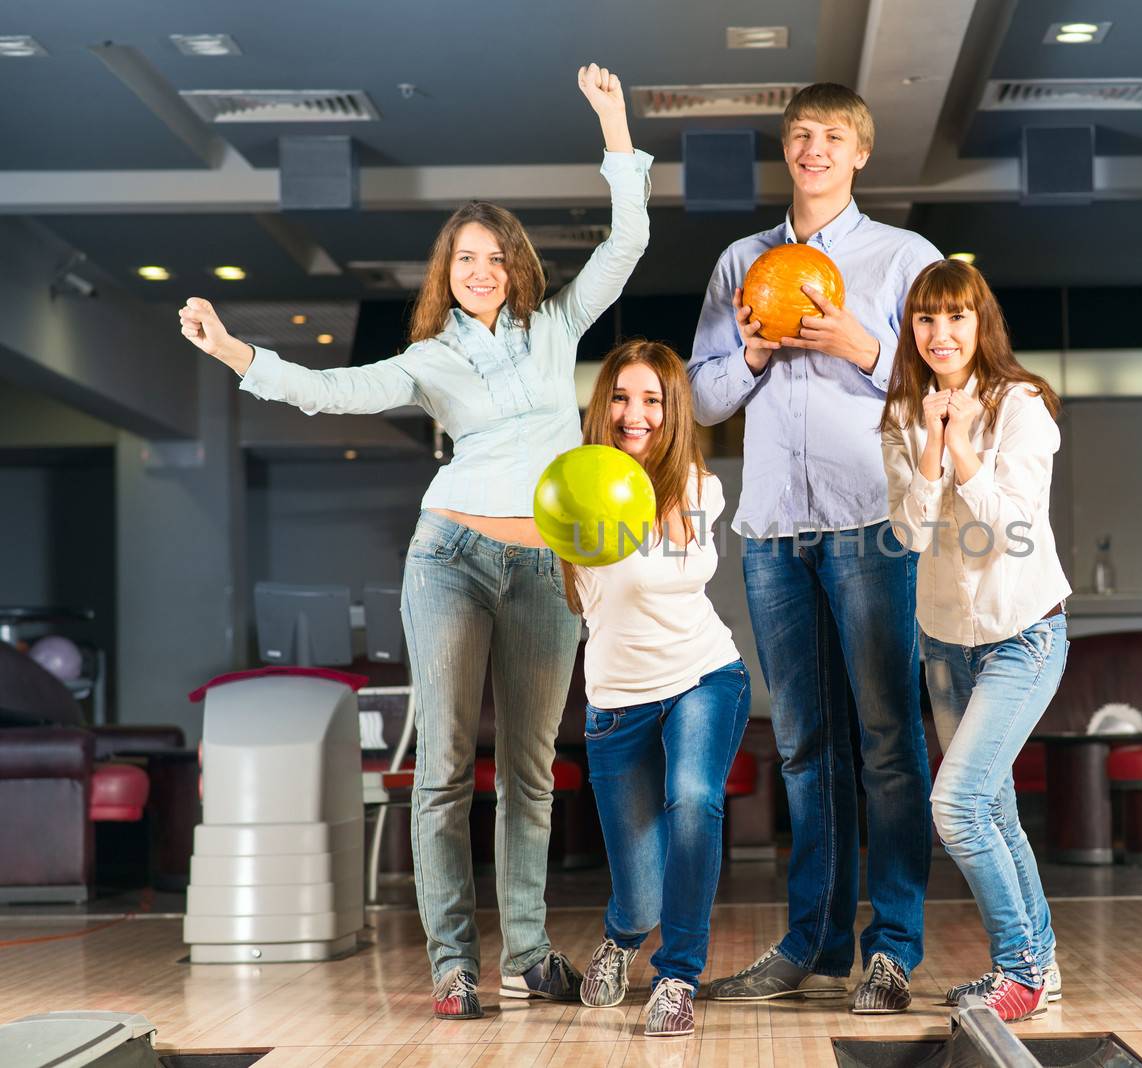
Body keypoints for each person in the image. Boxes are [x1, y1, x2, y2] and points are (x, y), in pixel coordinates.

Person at [176, 64, 651, 1022]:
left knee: (527, 775)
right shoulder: (432, 361)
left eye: (496, 256)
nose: (481, 270)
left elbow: (630, 238)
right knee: (442, 771)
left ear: (519, 264)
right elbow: (337, 390)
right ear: (449, 273)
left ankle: (525, 953)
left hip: (545, 570)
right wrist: (238, 354)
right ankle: (452, 967)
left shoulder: (559, 327)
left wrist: (614, 126)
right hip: (450, 561)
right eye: (464, 259)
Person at [689, 82, 942, 1014]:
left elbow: (937, 389)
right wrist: (753, 358)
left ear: (861, 153)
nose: (814, 149)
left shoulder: (902, 259)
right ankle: (814, 944)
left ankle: (896, 947)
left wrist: (862, 347)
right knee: (802, 745)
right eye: (800, 135)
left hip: (873, 523)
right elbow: (705, 399)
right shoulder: (740, 262)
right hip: (771, 531)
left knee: (887, 739)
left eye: (832, 136)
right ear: (784, 151)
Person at [880, 259, 1071, 1023]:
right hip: (945, 644)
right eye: (926, 319)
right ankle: (1043, 965)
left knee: (956, 807)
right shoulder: (904, 413)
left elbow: (1004, 533)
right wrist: (929, 438)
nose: (941, 333)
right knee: (992, 811)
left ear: (979, 322)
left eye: (956, 317)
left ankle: (1018, 970)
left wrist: (960, 444)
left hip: (1023, 635)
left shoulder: (1022, 406)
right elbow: (909, 531)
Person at [563, 339, 750, 1038]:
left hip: (702, 675)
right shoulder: (570, 489)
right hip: (616, 702)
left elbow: (675, 569)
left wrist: (639, 503)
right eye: (619, 396)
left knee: (695, 799)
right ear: (601, 406)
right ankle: (622, 934)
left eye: (651, 400)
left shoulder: (699, 489)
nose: (633, 413)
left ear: (672, 412)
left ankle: (677, 977)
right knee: (639, 896)